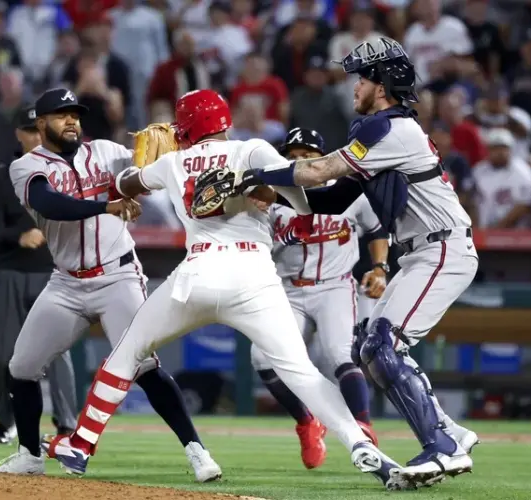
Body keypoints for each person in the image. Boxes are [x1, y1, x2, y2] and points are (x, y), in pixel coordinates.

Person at [42, 89, 413, 492]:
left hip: (198, 273)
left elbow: (125, 182)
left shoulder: (173, 161)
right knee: (302, 373)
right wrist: (268, 190)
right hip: (255, 277)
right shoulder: (253, 150)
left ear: (184, 127)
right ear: (223, 123)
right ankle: (361, 444)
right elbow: (304, 205)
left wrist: (141, 168)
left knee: (129, 352)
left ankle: (80, 445)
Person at [233, 36, 480, 488]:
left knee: (383, 344)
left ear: (383, 82)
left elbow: (319, 171)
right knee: (373, 347)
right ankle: (452, 433)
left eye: (363, 77)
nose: (354, 85)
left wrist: (253, 174)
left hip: (442, 247)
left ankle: (441, 446)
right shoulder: (379, 131)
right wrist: (276, 192)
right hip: (426, 249)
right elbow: (331, 199)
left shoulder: (388, 128)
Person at [0, 88, 221, 482]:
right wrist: (107, 204)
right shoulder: (25, 167)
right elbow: (50, 205)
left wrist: (166, 160)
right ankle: (29, 454)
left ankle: (197, 451)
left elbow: (143, 178)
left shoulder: (107, 152)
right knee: (21, 367)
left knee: (144, 366)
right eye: (61, 115)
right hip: (66, 284)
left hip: (118, 277)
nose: (71, 121)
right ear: (41, 123)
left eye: (75, 114)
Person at [249, 127, 389, 470]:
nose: (299, 160)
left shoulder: (347, 192)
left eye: (308, 155)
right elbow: (256, 246)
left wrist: (381, 267)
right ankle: (306, 421)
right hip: (288, 288)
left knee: (340, 355)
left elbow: (376, 230)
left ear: (322, 158)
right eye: (293, 155)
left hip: (334, 286)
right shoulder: (272, 198)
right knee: (262, 359)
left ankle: (362, 427)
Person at [0, 106, 78, 445]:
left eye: (40, 129)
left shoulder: (64, 171)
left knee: (58, 353)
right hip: (9, 271)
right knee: (0, 355)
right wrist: (18, 237)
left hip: (53, 273)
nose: (36, 136)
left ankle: (66, 427)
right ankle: (7, 420)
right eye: (30, 130)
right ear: (19, 134)